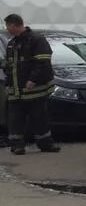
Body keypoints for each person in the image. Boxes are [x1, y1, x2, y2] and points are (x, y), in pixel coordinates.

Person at [3, 14, 60, 155]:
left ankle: (46, 144)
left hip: (35, 90)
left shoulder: (36, 40)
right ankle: (17, 146)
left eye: (8, 26)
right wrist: (8, 84)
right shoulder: (12, 43)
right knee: (15, 120)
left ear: (15, 25)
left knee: (39, 118)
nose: (7, 29)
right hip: (16, 91)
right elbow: (11, 67)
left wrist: (33, 80)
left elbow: (43, 62)